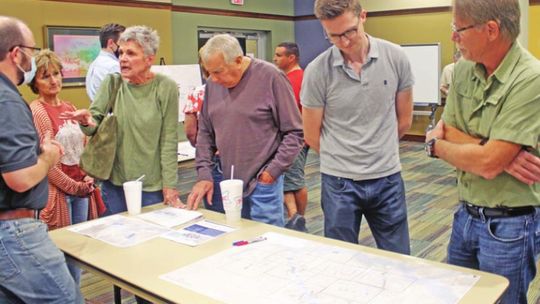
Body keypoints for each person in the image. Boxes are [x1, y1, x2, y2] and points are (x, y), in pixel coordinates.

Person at [425, 0, 540, 302]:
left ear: (491, 29)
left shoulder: (531, 78)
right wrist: (489, 150)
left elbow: (487, 164)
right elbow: (448, 128)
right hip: (465, 213)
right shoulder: (462, 71)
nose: (453, 37)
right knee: (459, 296)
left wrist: (436, 147)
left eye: (458, 29)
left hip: (510, 224)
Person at [302, 0, 414, 254]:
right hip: (339, 182)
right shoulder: (317, 71)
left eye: (349, 31)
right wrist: (344, 157)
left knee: (399, 257)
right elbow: (311, 134)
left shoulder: (395, 57)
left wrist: (377, 150)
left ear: (363, 16)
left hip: (387, 177)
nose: (344, 41)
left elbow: (404, 120)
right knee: (341, 259)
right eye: (333, 36)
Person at [0, 16, 83, 303]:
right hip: (15, 229)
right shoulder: (9, 101)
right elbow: (20, 177)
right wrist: (47, 157)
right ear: (16, 53)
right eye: (31, 52)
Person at [62, 25, 182, 216]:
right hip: (115, 183)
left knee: (150, 240)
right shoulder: (112, 82)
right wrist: (85, 121)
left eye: (131, 53)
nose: (123, 58)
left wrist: (169, 185)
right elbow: (92, 125)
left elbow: (169, 139)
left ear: (149, 59)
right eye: (121, 52)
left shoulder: (165, 87)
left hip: (151, 186)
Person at [186, 34, 303, 227]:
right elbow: (205, 133)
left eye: (218, 72)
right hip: (221, 178)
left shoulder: (271, 77)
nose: (213, 79)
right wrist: (204, 173)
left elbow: (295, 132)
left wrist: (271, 173)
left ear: (238, 61)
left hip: (262, 182)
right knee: (224, 237)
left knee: (266, 242)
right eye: (209, 73)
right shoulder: (213, 84)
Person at [29, 49, 101, 285]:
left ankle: (76, 296)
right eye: (46, 76)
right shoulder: (37, 111)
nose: (54, 80)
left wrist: (88, 175)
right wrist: (75, 187)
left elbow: (85, 145)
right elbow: (46, 164)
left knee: (77, 252)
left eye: (57, 73)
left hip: (80, 189)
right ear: (35, 82)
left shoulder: (69, 106)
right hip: (59, 193)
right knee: (59, 254)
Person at [273, 41, 309, 232]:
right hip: (288, 139)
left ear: (291, 57)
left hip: (296, 140)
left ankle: (299, 219)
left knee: (295, 181)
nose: (275, 58)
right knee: (287, 179)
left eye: (279, 55)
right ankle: (294, 217)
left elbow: (294, 113)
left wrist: (301, 140)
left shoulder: (297, 79)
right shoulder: (286, 78)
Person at [183, 62, 224, 213]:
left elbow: (190, 131)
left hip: (210, 157)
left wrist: (202, 147)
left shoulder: (196, 94)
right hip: (237, 156)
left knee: (216, 210)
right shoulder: (232, 91)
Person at [86, 23, 125, 102]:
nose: (124, 46)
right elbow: (122, 100)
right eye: (122, 42)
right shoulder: (114, 66)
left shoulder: (94, 64)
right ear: (111, 43)